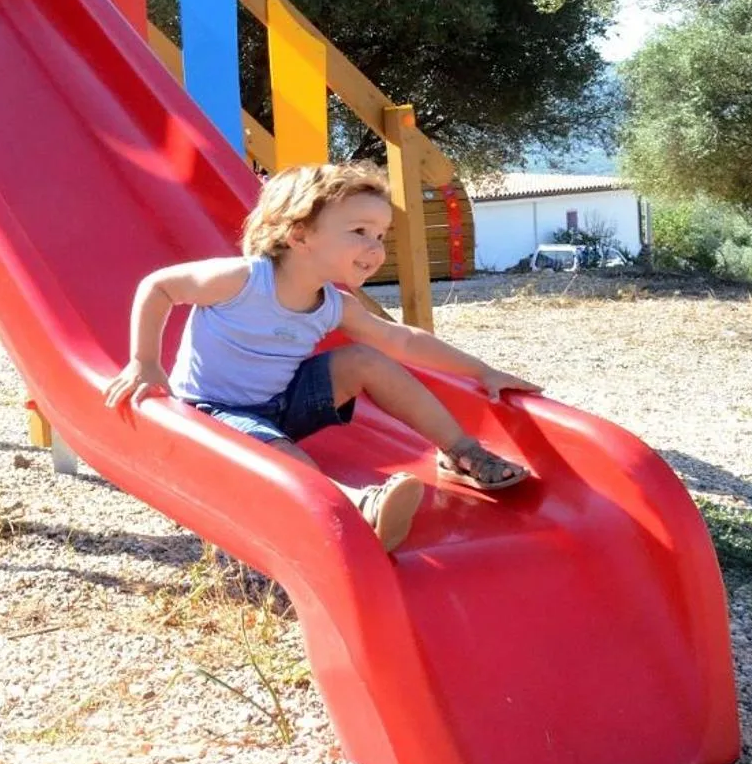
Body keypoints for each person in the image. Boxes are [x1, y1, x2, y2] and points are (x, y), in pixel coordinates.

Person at [105, 162, 539, 553]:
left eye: (380, 235)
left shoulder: (334, 304)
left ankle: (461, 451)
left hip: (280, 405)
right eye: (359, 232)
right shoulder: (242, 279)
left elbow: (403, 342)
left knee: (366, 359)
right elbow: (159, 286)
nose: (375, 247)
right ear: (300, 236)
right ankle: (353, 506)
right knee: (273, 446)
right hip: (213, 413)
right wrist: (145, 360)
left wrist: (482, 370)